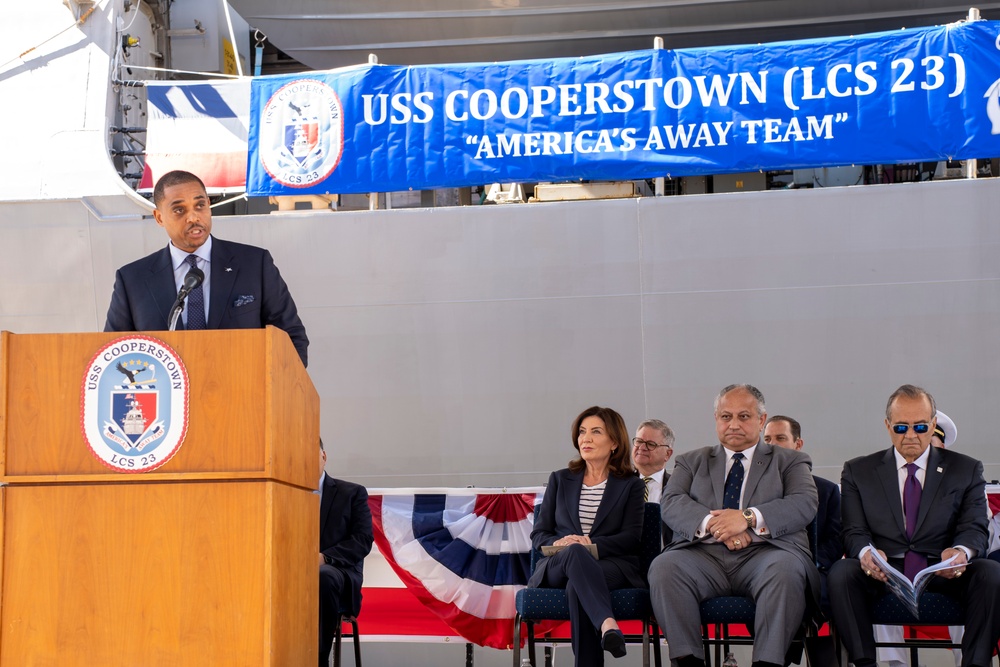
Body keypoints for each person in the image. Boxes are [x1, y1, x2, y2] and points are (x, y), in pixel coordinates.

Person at [648, 384, 819, 667]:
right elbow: (672, 502)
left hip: (767, 555)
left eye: (744, 416)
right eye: (726, 417)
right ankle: (689, 661)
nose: (734, 425)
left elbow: (803, 503)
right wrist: (719, 526)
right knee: (665, 567)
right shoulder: (691, 461)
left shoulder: (790, 461)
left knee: (786, 570)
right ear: (716, 418)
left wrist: (747, 519)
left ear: (761, 420)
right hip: (702, 556)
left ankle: (768, 662)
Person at [829, 385, 1000, 667]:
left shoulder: (965, 469)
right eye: (901, 427)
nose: (911, 435)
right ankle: (864, 663)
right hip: (884, 573)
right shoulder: (859, 471)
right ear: (887, 426)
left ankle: (976, 663)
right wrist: (866, 554)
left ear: (933, 425)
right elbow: (853, 530)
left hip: (943, 571)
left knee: (991, 573)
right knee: (842, 573)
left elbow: (974, 526)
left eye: (921, 427)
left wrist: (960, 553)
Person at [104, 170, 309, 367]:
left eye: (200, 205)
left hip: (245, 395)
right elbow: (113, 354)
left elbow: (290, 337)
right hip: (170, 400)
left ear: (209, 206)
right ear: (159, 217)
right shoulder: (132, 280)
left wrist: (278, 391)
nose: (193, 217)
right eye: (179, 210)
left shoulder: (254, 264)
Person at [528, 406, 645, 667]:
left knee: (577, 586)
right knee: (574, 553)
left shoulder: (631, 485)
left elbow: (631, 538)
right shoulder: (560, 479)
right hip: (558, 563)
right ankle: (607, 623)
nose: (585, 438)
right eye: (582, 432)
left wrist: (590, 544)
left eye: (595, 432)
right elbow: (539, 533)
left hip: (610, 564)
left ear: (614, 442)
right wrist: (557, 543)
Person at [763, 415, 842, 615]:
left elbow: (836, 540)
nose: (772, 445)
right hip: (764, 571)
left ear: (798, 444)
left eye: (780, 438)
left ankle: (819, 644)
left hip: (812, 571)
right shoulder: (752, 491)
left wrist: (807, 563)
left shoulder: (826, 490)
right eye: (767, 440)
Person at [318, 438, 374, 667]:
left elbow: (362, 541)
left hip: (338, 576)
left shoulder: (351, 493)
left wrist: (324, 558)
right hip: (292, 573)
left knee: (323, 576)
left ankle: (317, 660)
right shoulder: (281, 495)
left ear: (323, 456)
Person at [632, 419, 675, 546]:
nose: (642, 447)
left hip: (666, 555)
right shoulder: (620, 484)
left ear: (668, 454)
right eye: (639, 441)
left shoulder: (678, 486)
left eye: (650, 444)